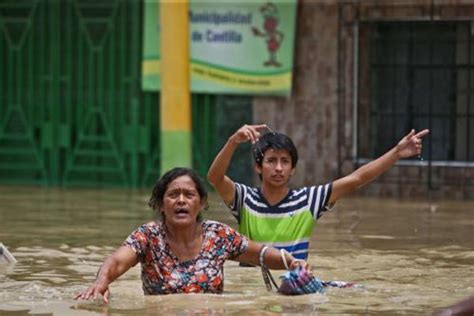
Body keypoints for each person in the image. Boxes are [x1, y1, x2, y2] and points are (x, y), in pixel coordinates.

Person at [75, 167, 307, 303]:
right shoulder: (148, 236)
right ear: (160, 205)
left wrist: (292, 262)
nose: (181, 201)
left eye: (189, 195)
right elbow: (116, 261)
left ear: (201, 203)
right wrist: (101, 282)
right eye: (173, 195)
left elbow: (261, 254)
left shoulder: (218, 235)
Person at [207, 124, 429, 260]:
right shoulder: (245, 199)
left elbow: (357, 179)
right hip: (251, 289)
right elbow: (214, 178)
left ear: (293, 169)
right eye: (271, 161)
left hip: (294, 284)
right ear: (258, 166)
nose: (278, 168)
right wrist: (233, 141)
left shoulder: (308, 200)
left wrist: (396, 153)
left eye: (285, 161)